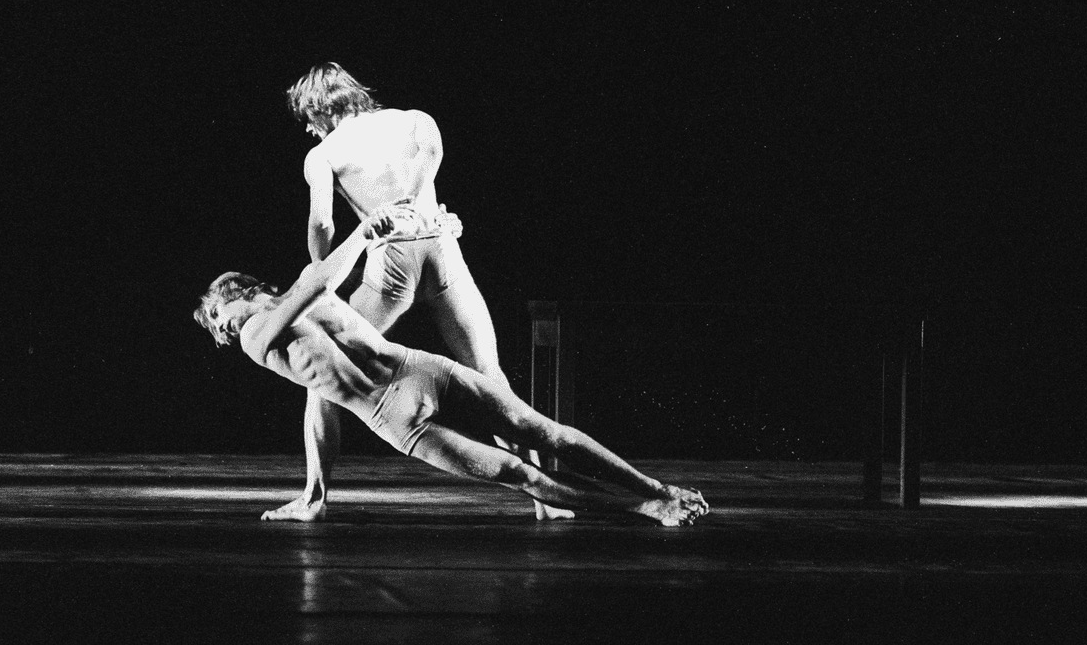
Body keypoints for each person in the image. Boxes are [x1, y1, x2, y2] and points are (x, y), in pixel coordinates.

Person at [193, 209, 710, 527]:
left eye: (217, 316)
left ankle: (656, 488)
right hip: (393, 416)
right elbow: (316, 281)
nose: (223, 330)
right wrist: (365, 233)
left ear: (236, 292)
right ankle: (642, 509)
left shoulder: (290, 298)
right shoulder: (257, 337)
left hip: (419, 369)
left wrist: (431, 227)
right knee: (515, 472)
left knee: (540, 430)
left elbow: (321, 278)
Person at [271, 62, 567, 521]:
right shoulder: (417, 121)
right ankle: (546, 501)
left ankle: (314, 499)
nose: (309, 130)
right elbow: (426, 180)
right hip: (444, 254)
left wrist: (322, 273)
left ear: (320, 108)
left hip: (392, 261)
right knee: (489, 376)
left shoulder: (324, 154)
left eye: (307, 119)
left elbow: (323, 223)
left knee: (322, 377)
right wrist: (431, 215)